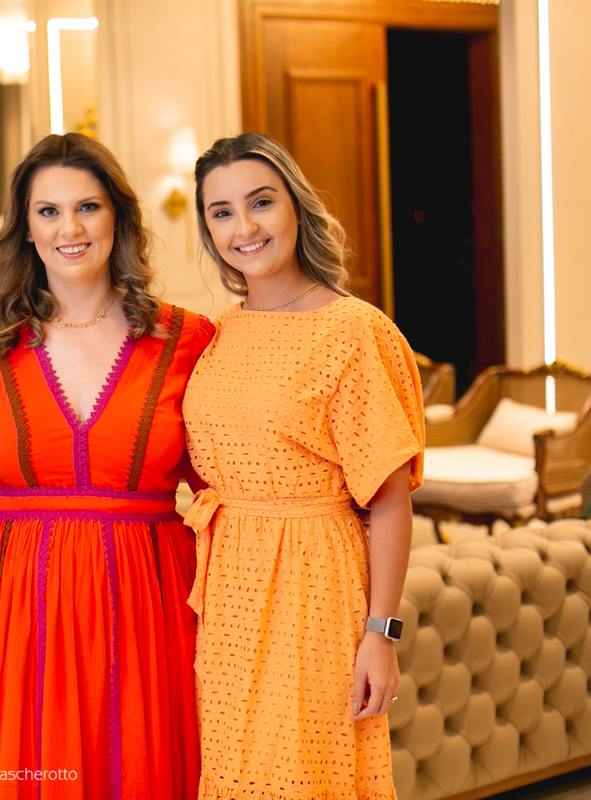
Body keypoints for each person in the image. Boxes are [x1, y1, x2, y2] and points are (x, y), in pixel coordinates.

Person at [0, 132, 210, 799]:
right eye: (49, 211)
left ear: (118, 215)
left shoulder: (188, 339)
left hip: (151, 610)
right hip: (15, 611)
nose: (70, 228)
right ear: (25, 229)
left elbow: (226, 485)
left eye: (88, 206)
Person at [182, 132, 424, 800]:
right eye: (222, 212)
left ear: (296, 206)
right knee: (232, 774)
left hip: (315, 583)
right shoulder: (221, 330)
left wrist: (381, 634)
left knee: (303, 773)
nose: (245, 227)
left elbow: (390, 499)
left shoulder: (354, 330)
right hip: (227, 590)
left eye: (261, 202)